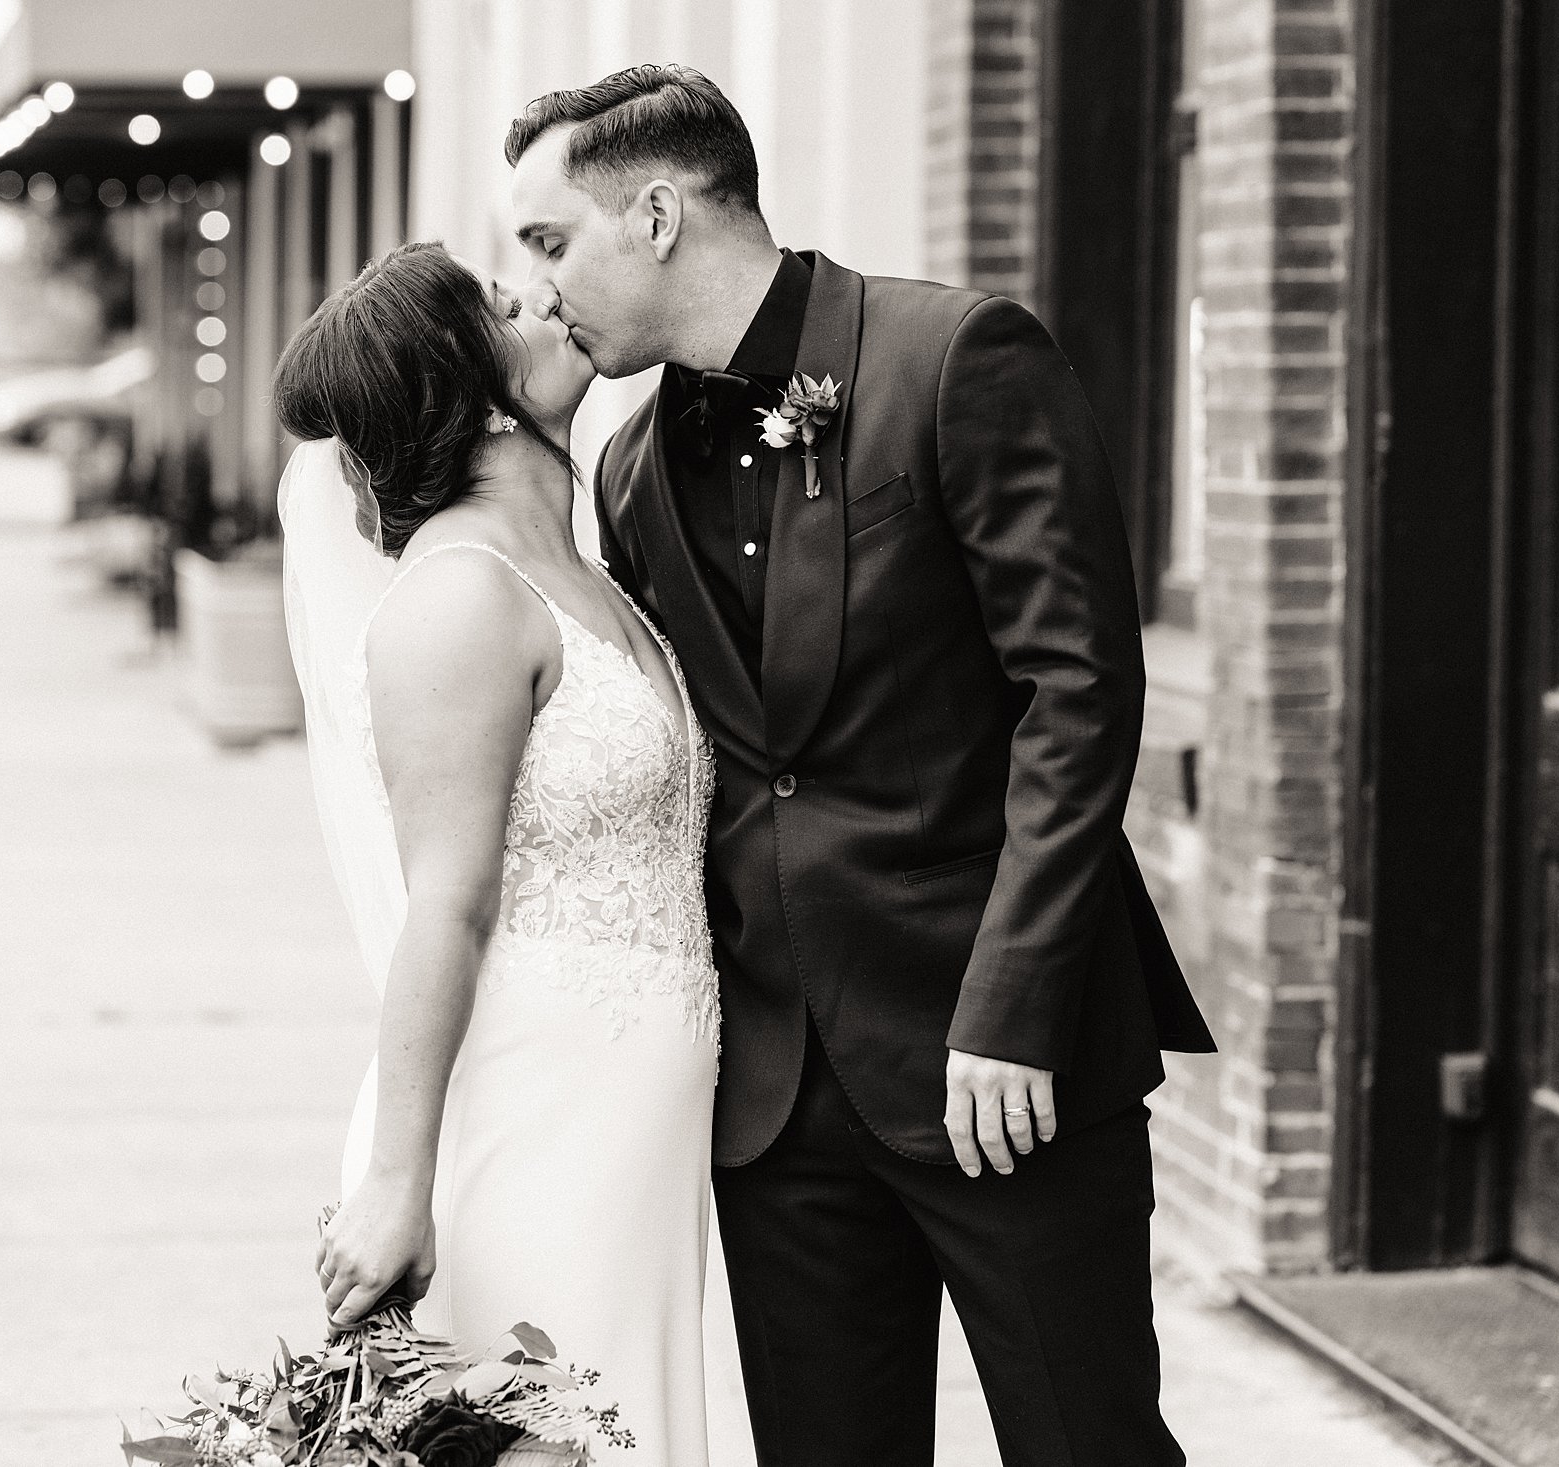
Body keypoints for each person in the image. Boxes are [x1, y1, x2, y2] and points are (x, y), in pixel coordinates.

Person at [506, 64, 1217, 1467]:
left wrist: (1010, 1004)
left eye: (548, 241)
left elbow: (1075, 691)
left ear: (655, 213)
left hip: (1001, 1059)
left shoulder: (958, 356)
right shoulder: (630, 467)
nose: (535, 288)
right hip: (776, 1092)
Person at [276, 241, 718, 1465]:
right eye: (502, 307)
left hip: (639, 1120)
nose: (543, 298)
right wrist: (396, 1181)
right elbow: (446, 905)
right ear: (460, 395)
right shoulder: (456, 600)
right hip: (527, 1112)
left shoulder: (586, 571)